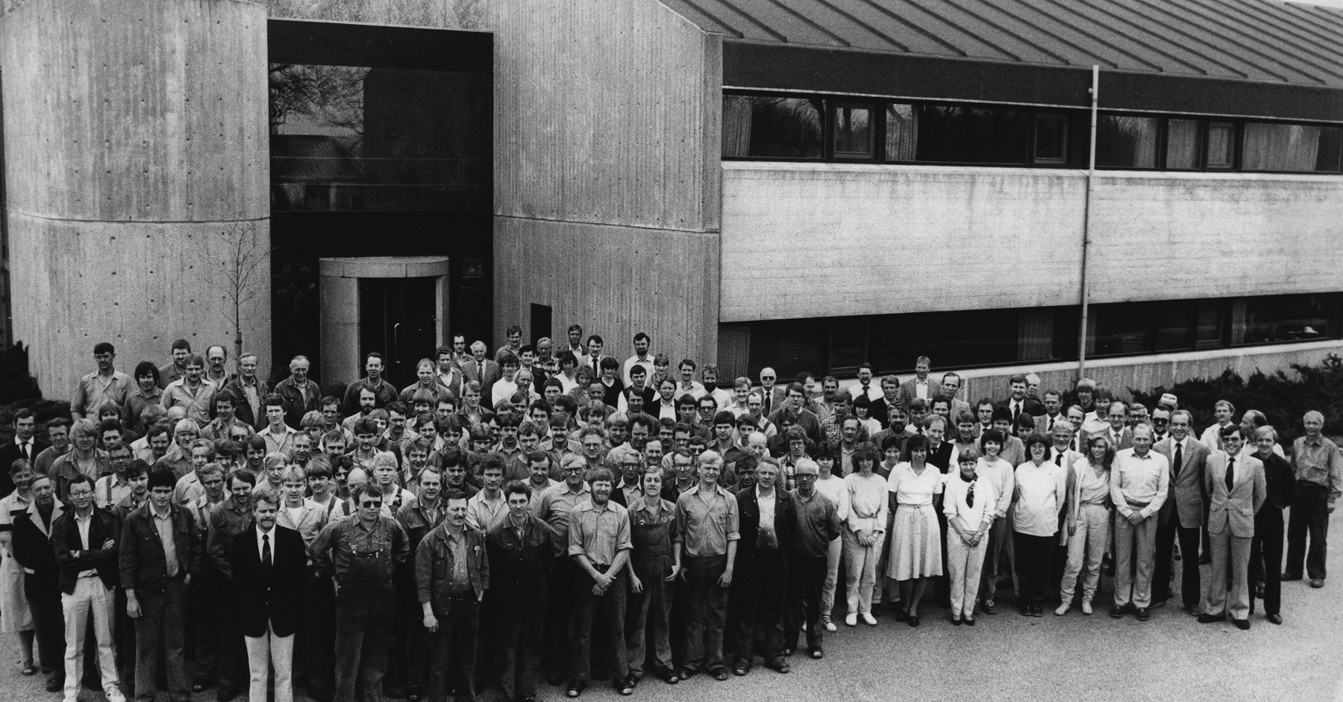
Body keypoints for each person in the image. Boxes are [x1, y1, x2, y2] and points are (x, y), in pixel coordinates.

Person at [312, 483, 410, 702]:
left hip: (382, 598)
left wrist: (390, 570)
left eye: (377, 504)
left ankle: (372, 698)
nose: (372, 508)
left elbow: (404, 548)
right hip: (350, 600)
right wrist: (333, 575)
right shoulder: (339, 527)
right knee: (348, 656)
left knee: (377, 655)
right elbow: (317, 549)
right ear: (356, 505)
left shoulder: (391, 526)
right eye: (367, 504)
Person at [121, 469, 202, 702]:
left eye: (167, 491)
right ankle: (144, 695)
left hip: (176, 588)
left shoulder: (184, 515)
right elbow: (126, 560)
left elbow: (195, 547)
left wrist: (188, 576)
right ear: (149, 492)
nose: (162, 496)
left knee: (175, 645)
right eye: (158, 491)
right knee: (146, 648)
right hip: (146, 592)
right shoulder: (134, 520)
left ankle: (178, 692)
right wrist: (130, 596)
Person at [227, 489, 306, 702]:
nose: (268, 515)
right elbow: (238, 581)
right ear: (254, 512)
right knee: (257, 673)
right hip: (253, 614)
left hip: (284, 614)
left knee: (283, 672)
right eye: (263, 511)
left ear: (278, 510)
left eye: (272, 510)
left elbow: (299, 578)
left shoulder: (292, 539)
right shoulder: (241, 542)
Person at [52, 475, 125, 702]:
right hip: (74, 586)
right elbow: (63, 559)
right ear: (69, 496)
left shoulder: (109, 519)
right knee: (73, 643)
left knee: (106, 639)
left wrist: (80, 554)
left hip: (102, 582)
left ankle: (111, 687)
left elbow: (113, 553)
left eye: (85, 492)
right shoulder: (61, 523)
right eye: (76, 493)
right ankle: (71, 692)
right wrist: (97, 553)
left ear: (93, 493)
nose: (81, 497)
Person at [565, 468, 633, 697]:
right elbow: (574, 548)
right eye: (598, 484)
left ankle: (621, 675)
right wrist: (596, 576)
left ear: (612, 487)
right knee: (582, 630)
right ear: (590, 485)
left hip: (615, 573)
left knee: (617, 628)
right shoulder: (577, 512)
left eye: (606, 484)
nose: (602, 488)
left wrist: (607, 577)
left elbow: (624, 548)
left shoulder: (621, 512)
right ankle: (579, 678)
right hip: (586, 574)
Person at [415, 488, 488, 702]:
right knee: (440, 663)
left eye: (463, 509)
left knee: (467, 660)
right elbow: (422, 580)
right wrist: (428, 613)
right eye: (454, 509)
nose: (460, 513)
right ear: (443, 510)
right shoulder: (429, 541)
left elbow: (484, 568)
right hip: (442, 608)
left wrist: (480, 594)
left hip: (469, 605)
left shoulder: (475, 536)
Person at [486, 481, 553, 702]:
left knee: (532, 645)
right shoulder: (496, 533)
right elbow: (492, 570)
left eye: (522, 501)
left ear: (529, 502)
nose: (517, 506)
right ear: (507, 502)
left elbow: (549, 563)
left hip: (535, 595)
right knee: (508, 646)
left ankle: (528, 692)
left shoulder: (542, 529)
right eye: (513, 502)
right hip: (507, 597)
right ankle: (509, 692)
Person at [674, 450, 738, 682]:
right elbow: (679, 535)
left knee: (717, 615)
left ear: (720, 471)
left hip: (719, 562)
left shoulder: (729, 499)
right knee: (692, 615)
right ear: (697, 469)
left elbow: (733, 535)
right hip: (694, 564)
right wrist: (679, 564)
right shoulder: (685, 499)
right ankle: (691, 661)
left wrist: (729, 568)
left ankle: (716, 662)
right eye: (706, 468)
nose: (711, 472)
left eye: (715, 469)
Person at [1198, 426, 1265, 630]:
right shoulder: (1212, 461)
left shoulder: (1255, 464)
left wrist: (1245, 512)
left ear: (1243, 441)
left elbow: (1260, 495)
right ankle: (1214, 609)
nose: (1230, 443)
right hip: (1218, 520)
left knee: (1240, 569)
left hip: (1242, 520)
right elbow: (1208, 489)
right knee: (1217, 567)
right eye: (1226, 439)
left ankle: (1239, 611)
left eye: (1235, 439)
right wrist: (1222, 506)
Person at [731, 459, 794, 675]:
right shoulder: (742, 498)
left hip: (777, 562)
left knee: (775, 611)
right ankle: (743, 658)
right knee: (747, 611)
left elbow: (791, 531)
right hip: (751, 563)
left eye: (771, 473)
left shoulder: (786, 498)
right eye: (763, 472)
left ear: (777, 476)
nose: (766, 477)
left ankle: (774, 655)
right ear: (757, 474)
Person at [625, 468, 680, 685]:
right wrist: (631, 575)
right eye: (648, 480)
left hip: (665, 566)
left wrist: (677, 564)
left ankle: (664, 664)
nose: (652, 484)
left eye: (656, 480)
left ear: (661, 484)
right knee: (638, 618)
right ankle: (634, 668)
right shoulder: (632, 510)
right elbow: (625, 546)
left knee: (662, 617)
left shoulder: (671, 509)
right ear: (642, 484)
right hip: (640, 566)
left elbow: (676, 537)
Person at [12, 473, 65, 693]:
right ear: (31, 493)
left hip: (65, 581)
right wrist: (36, 566)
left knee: (69, 627)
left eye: (46, 487)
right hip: (38, 584)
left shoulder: (67, 512)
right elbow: (19, 552)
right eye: (37, 490)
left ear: (53, 487)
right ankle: (52, 672)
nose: (43, 493)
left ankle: (77, 669)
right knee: (45, 631)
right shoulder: (23, 519)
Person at [1109, 424, 1169, 620]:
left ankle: (1142, 601)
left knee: (1145, 560)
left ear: (1151, 440)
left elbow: (1162, 492)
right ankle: (1120, 600)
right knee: (1123, 558)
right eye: (1138, 439)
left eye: (1145, 439)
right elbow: (1114, 487)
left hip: (1148, 513)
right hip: (1124, 510)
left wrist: (1144, 513)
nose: (1142, 443)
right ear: (1132, 438)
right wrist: (1126, 511)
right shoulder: (1120, 456)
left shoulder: (1161, 460)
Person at [1152, 409, 1209, 614]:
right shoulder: (1158, 447)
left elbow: (1205, 481)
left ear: (1189, 426)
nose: (1178, 428)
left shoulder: (1201, 449)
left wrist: (1204, 508)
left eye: (1183, 425)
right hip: (1165, 507)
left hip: (1190, 508)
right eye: (1174, 424)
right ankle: (1157, 595)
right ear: (1169, 425)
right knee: (1162, 553)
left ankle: (1192, 600)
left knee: (1190, 556)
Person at [886, 435, 944, 627]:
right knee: (906, 562)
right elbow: (892, 498)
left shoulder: (934, 471)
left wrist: (922, 513)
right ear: (909, 451)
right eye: (916, 450)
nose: (919, 454)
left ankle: (913, 608)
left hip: (927, 517)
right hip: (904, 516)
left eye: (923, 450)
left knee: (923, 564)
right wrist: (905, 513)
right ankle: (904, 605)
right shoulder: (899, 470)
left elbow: (935, 499)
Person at [786, 458, 841, 655]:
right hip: (793, 560)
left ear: (815, 478)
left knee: (813, 602)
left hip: (816, 560)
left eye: (809, 476)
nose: (804, 480)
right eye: (801, 475)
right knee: (792, 602)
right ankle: (790, 642)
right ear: (795, 477)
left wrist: (818, 540)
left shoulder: (825, 502)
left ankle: (815, 643)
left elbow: (835, 530)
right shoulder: (788, 498)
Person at [1284, 410, 1341, 589]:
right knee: (1295, 534)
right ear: (1304, 424)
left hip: (1319, 494)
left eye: (1315, 423)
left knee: (1317, 536)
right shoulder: (1297, 443)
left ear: (1321, 425)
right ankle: (1293, 570)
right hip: (1299, 492)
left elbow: (1335, 474)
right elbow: (1292, 468)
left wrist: (1332, 498)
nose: (1311, 427)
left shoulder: (1330, 447)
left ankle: (1317, 574)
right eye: (1308, 423)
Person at [1057, 435, 1113, 616]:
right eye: (1094, 446)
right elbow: (1071, 492)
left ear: (1107, 450)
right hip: (1080, 512)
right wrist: (1071, 518)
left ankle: (1087, 598)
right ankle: (1066, 599)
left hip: (1100, 513)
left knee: (1095, 561)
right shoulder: (1081, 465)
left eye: (1101, 447)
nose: (1097, 450)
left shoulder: (1111, 468)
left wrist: (1108, 511)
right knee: (1073, 560)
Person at [1012, 434, 1066, 617]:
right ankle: (1025, 600)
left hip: (1046, 526)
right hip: (1023, 525)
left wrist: (1047, 514)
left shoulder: (1055, 470)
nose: (1037, 449)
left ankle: (1038, 600)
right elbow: (1017, 494)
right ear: (1028, 449)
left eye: (1041, 446)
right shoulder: (1021, 469)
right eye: (1033, 446)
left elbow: (1060, 499)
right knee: (1024, 565)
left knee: (1042, 565)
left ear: (1046, 449)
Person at [1248, 425, 1295, 625]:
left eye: (1268, 440)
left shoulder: (1283, 465)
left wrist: (1278, 504)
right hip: (1251, 516)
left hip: (1273, 517)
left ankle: (1272, 609)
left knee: (1273, 563)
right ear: (1255, 442)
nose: (1264, 444)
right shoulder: (1249, 461)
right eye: (1261, 440)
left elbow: (1291, 493)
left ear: (1274, 442)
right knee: (1249, 561)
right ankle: (1246, 605)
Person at [943, 449, 993, 626]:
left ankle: (968, 611)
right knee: (957, 574)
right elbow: (949, 511)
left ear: (976, 464)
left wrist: (979, 533)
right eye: (964, 463)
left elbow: (989, 511)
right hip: (958, 535)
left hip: (979, 535)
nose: (968, 467)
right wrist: (963, 534)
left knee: (974, 574)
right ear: (959, 464)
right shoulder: (953, 484)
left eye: (971, 463)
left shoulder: (985, 483)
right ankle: (956, 611)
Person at [841, 442, 887, 627]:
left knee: (870, 573)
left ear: (874, 461)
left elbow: (884, 509)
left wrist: (875, 533)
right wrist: (858, 531)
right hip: (855, 529)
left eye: (869, 459)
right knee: (854, 572)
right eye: (861, 459)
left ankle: (865, 609)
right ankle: (852, 610)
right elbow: (848, 508)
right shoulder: (849, 480)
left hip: (874, 527)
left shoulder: (880, 481)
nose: (865, 463)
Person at [0, 459, 37, 677]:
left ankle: (51, 656)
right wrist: (26, 562)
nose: (24, 480)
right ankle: (27, 658)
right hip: (16, 563)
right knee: (22, 611)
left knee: (43, 611)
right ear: (12, 478)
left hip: (42, 563)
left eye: (27, 475)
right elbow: (6, 539)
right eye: (19, 476)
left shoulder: (43, 495)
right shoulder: (5, 504)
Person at [975, 429, 1015, 615]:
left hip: (998, 519)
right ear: (983, 444)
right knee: (976, 557)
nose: (992, 446)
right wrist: (980, 515)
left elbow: (1007, 494)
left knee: (992, 558)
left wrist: (995, 514)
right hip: (976, 518)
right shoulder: (977, 464)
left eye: (996, 443)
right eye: (989, 443)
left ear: (1001, 446)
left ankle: (988, 596)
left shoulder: (1006, 467)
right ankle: (973, 596)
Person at [73, 342, 134, 422]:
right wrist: (82, 427)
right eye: (99, 357)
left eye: (106, 356)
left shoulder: (125, 380)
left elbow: (130, 409)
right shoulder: (86, 381)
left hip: (116, 430)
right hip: (93, 430)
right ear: (94, 357)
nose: (102, 360)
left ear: (113, 356)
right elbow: (75, 409)